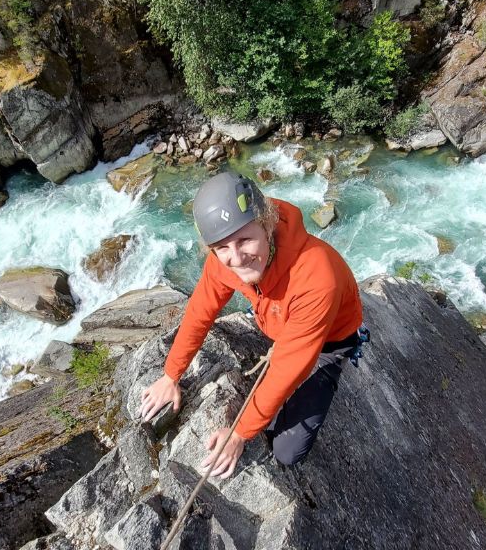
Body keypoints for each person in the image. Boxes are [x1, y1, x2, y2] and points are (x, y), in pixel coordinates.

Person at [140, 171, 364, 479]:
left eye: (245, 240)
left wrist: (239, 433)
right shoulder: (224, 260)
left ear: (268, 224)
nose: (236, 258)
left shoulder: (316, 278)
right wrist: (170, 375)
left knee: (286, 451)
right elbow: (200, 311)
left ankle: (340, 362)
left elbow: (288, 367)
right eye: (222, 247)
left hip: (329, 343)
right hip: (276, 318)